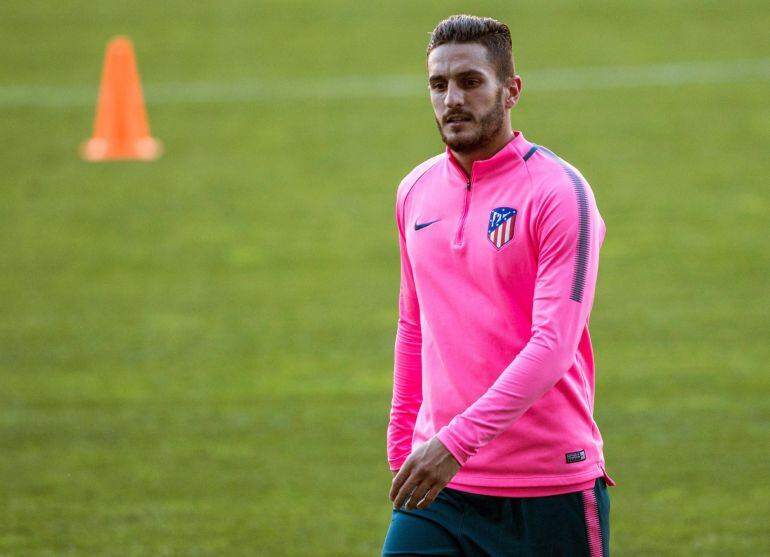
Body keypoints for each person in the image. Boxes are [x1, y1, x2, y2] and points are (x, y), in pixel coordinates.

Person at [381, 14, 615, 557]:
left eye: (470, 82)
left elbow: (553, 346)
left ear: (511, 91)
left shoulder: (559, 193)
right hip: (442, 489)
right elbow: (414, 324)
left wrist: (453, 444)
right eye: (438, 85)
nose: (451, 100)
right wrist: (403, 448)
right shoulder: (414, 190)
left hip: (546, 486)